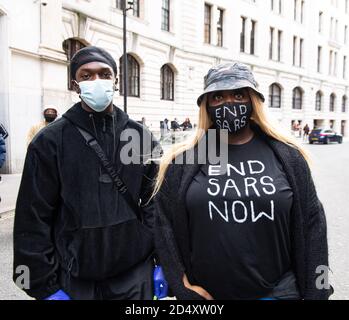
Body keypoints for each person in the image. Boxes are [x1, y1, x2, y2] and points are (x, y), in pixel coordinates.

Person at [152, 62, 332, 300]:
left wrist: (317, 293)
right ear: (206, 105)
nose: (229, 104)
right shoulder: (182, 162)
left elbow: (313, 227)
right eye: (217, 97)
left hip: (279, 293)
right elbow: (164, 227)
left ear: (253, 101)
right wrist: (182, 286)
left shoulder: (288, 156)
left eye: (238, 94)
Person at [13, 46, 159, 300]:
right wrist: (43, 286)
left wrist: (162, 263)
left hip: (135, 276)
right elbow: (32, 217)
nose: (96, 81)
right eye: (86, 75)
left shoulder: (140, 137)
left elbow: (155, 206)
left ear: (116, 80)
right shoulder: (49, 141)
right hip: (74, 278)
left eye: (104, 74)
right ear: (75, 84)